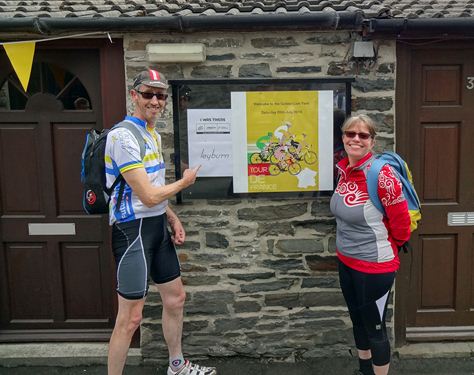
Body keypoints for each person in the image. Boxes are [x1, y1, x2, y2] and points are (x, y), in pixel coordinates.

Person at [104, 69, 216, 375]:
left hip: (156, 227)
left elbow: (153, 192)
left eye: (160, 95)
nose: (155, 100)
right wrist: (184, 182)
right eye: (148, 94)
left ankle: (177, 366)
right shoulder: (123, 136)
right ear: (134, 96)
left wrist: (172, 216)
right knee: (130, 319)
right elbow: (149, 195)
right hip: (132, 231)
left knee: (176, 298)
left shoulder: (151, 133)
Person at [329, 114, 411, 375]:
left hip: (374, 267)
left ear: (372, 141)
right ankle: (364, 370)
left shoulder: (382, 175)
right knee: (357, 320)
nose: (356, 139)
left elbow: (402, 225)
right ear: (343, 137)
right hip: (347, 261)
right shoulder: (344, 171)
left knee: (374, 327)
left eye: (363, 135)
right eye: (350, 134)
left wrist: (388, 250)